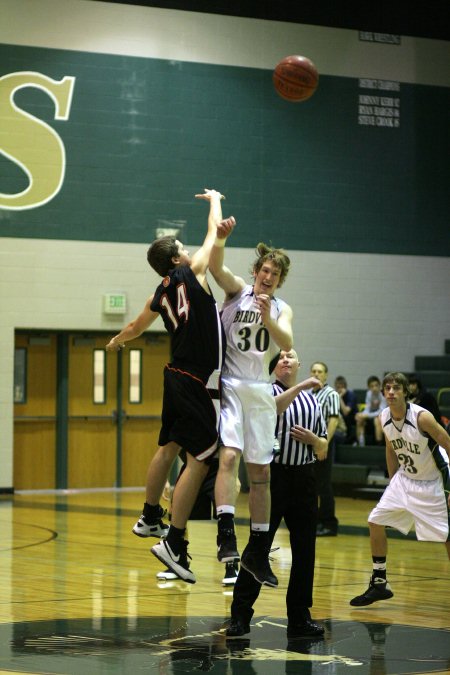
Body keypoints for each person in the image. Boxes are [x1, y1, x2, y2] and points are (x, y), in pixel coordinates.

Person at [106, 189, 232, 584]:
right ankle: (174, 541)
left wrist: (116, 342)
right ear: (178, 259)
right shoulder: (192, 271)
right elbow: (214, 230)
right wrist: (215, 201)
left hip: (174, 373)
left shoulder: (159, 292)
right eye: (183, 247)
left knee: (169, 446)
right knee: (204, 455)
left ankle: (149, 514)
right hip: (193, 378)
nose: (190, 248)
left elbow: (135, 327)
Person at [209, 219, 293, 587]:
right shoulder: (237, 291)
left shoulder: (281, 308)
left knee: (261, 474)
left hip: (260, 389)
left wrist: (267, 318)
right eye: (265, 270)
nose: (268, 277)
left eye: (275, 274)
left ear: (280, 280)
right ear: (256, 272)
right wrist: (221, 240)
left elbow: (286, 339)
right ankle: (226, 532)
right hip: (231, 384)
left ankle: (258, 550)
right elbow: (215, 267)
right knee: (228, 457)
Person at [226, 349, 328, 638]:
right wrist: (302, 386)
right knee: (259, 548)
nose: (285, 359)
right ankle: (240, 616)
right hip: (273, 478)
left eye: (291, 356)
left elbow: (323, 448)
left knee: (305, 551)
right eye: (281, 357)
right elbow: (272, 409)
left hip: (305, 478)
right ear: (275, 366)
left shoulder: (313, 400)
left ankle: (299, 618)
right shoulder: (266, 391)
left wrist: (314, 440)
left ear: (299, 364)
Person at [350, 371, 450, 607]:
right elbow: (390, 448)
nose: (392, 392)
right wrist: (393, 481)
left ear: (406, 392)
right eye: (388, 388)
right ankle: (379, 582)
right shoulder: (383, 416)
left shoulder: (422, 417)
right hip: (405, 480)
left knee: (447, 537)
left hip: (433, 481)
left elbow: (447, 444)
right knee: (375, 520)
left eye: (397, 388)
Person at [310, 362, 340, 537]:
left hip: (323, 444)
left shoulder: (331, 394)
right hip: (311, 446)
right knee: (312, 486)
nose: (316, 374)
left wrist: (324, 444)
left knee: (323, 485)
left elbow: (334, 420)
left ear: (326, 375)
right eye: (313, 371)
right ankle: (316, 521)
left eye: (320, 372)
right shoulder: (309, 393)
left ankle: (329, 523)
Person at [355, 376, 386, 446]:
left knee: (377, 420)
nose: (374, 388)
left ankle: (379, 444)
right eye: (372, 386)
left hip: (383, 415)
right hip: (371, 415)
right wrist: (362, 415)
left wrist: (367, 415)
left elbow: (381, 411)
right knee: (359, 419)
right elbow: (367, 409)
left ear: (380, 386)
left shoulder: (383, 394)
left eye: (376, 385)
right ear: (369, 387)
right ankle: (360, 442)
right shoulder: (369, 394)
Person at [334, 375, 358, 444]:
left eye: (340, 387)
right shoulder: (334, 395)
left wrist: (340, 397)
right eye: (337, 387)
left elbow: (346, 412)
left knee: (345, 416)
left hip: (351, 419)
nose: (338, 389)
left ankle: (351, 440)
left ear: (344, 387)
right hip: (340, 420)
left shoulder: (351, 395)